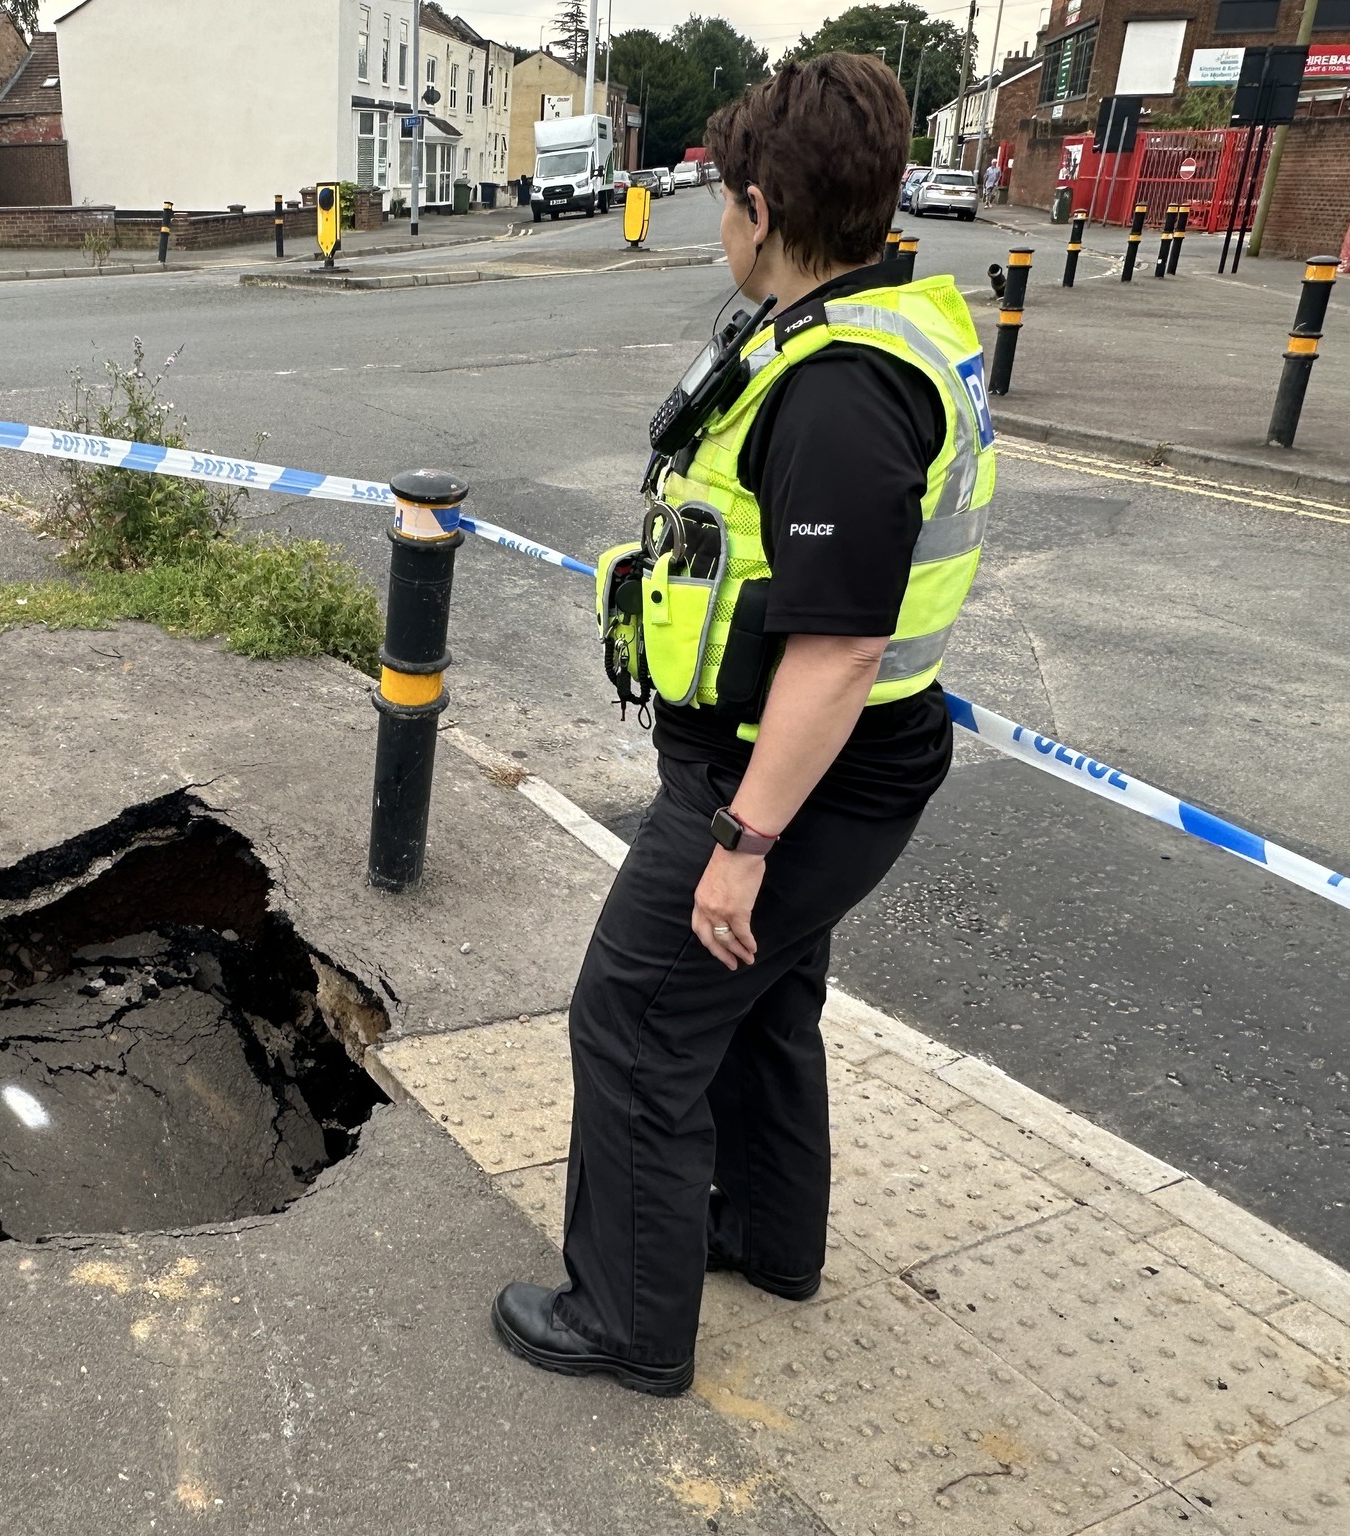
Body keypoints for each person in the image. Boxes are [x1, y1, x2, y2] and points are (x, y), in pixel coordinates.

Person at [491, 51, 996, 1396]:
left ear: (763, 207)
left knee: (636, 1017)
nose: (721, 223)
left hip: (800, 775)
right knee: (765, 1006)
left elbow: (839, 647)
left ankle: (624, 1320)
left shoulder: (840, 388)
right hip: (842, 764)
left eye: (726, 200)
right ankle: (768, 1238)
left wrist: (742, 836)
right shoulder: (877, 324)